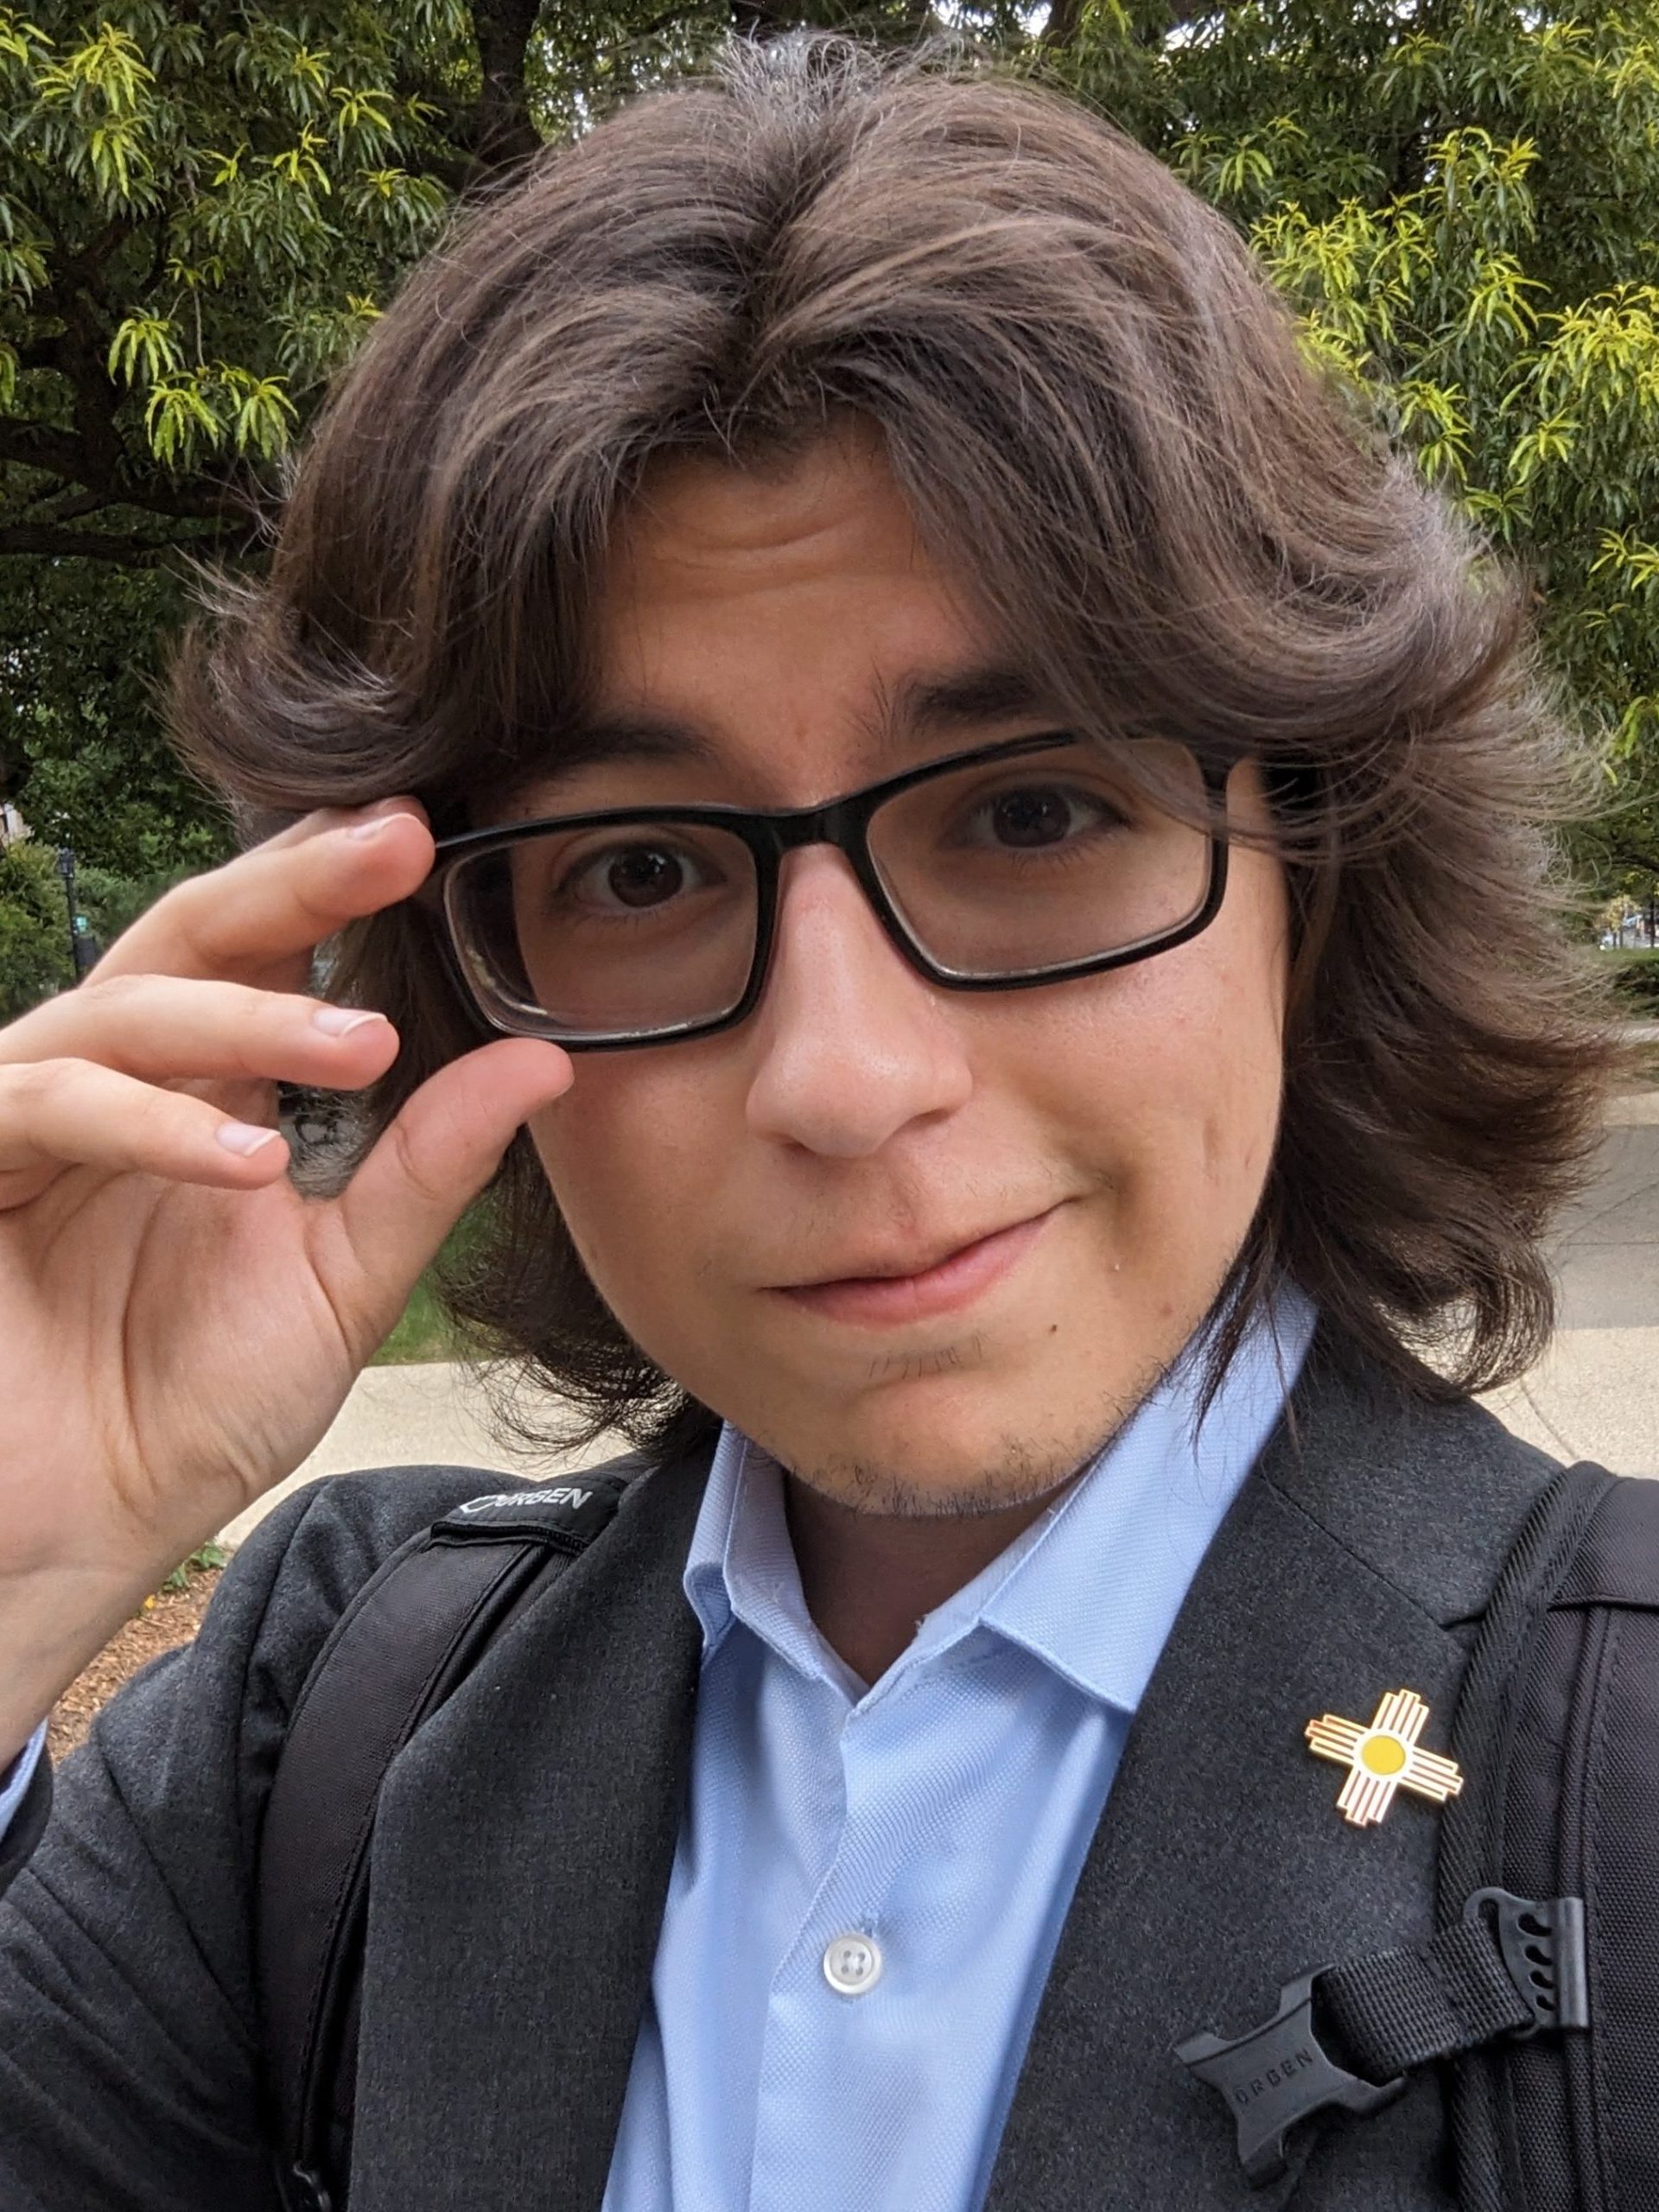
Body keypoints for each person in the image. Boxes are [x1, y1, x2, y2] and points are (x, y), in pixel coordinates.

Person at [0, 29, 1624, 2210]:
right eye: (640, 869)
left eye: (1030, 813)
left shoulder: (1617, 1779)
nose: (845, 1079)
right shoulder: (336, 1724)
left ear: (1310, 875)